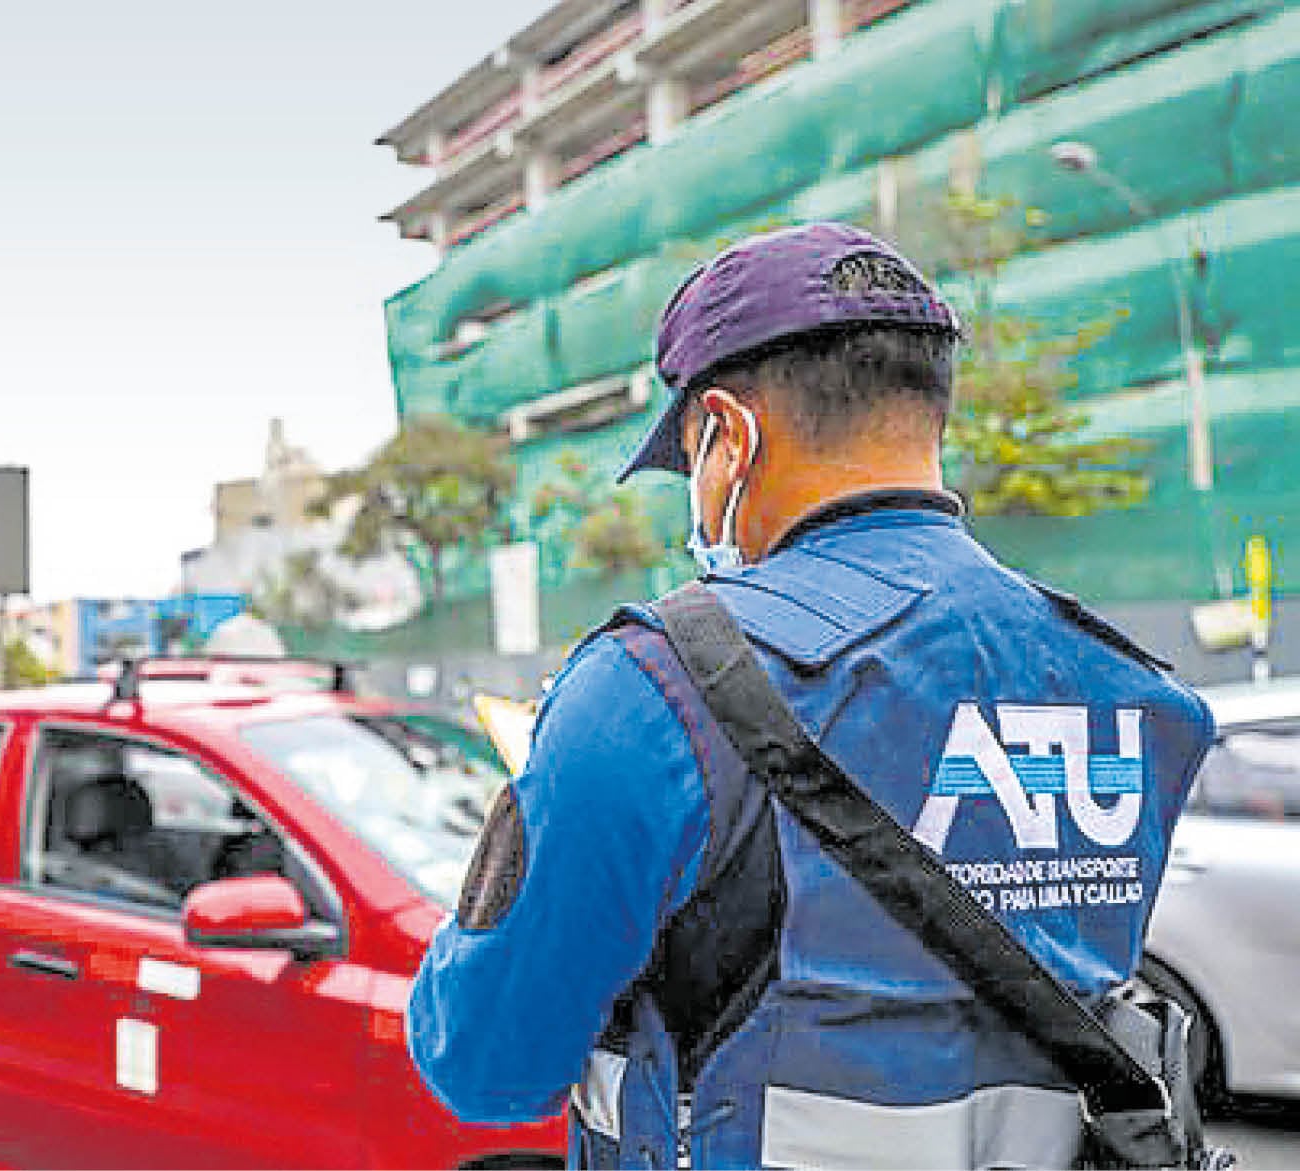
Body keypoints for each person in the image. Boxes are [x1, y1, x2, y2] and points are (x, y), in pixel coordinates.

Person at [406, 223, 1213, 1170]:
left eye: (693, 463)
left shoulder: (647, 691)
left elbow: (486, 1063)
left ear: (729, 436)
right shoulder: (1132, 693)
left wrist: (546, 786)